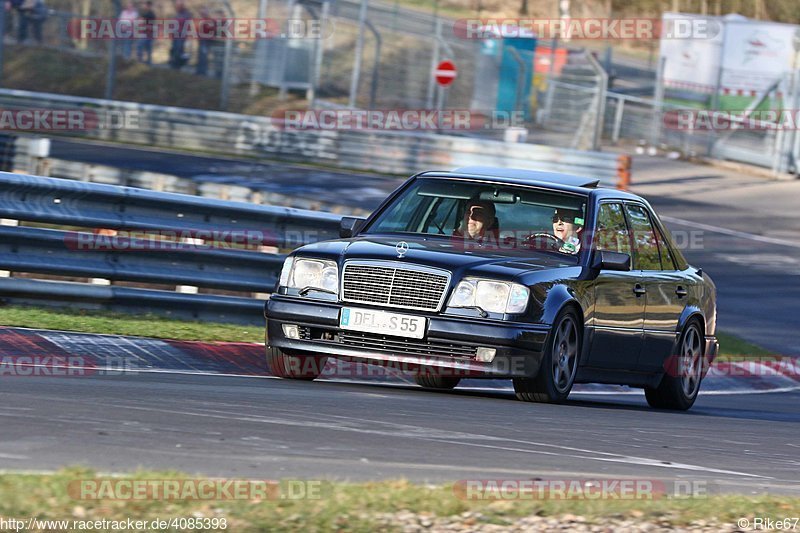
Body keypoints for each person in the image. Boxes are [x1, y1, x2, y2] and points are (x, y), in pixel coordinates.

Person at [168, 0, 191, 69]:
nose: (177, 6)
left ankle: (177, 66)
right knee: (173, 50)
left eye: (179, 5)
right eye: (177, 5)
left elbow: (187, 26)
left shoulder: (186, 14)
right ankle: (173, 65)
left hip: (181, 36)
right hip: (175, 36)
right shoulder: (176, 14)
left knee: (179, 50)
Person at [136, 0, 155, 64]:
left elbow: (150, 24)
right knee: (140, 46)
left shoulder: (151, 14)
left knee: (147, 48)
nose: (144, 6)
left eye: (146, 5)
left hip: (148, 33)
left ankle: (148, 61)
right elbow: (139, 21)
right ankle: (140, 60)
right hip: (143, 33)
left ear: (149, 6)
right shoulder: (142, 12)